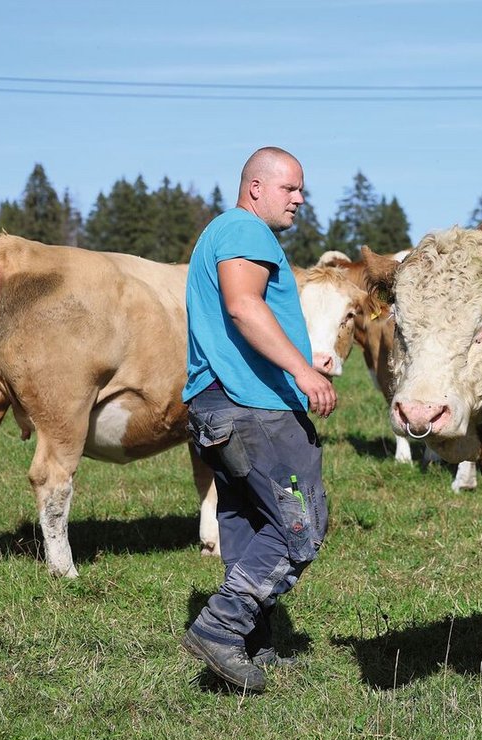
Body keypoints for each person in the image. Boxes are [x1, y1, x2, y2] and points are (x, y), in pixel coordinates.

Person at [180, 146, 337, 692]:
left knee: (247, 525)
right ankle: (221, 628)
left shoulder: (221, 233)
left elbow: (235, 320)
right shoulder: (246, 231)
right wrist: (302, 371)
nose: (300, 199)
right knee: (301, 524)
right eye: (289, 188)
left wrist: (301, 356)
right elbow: (244, 306)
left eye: (301, 189)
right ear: (255, 188)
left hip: (218, 405)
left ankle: (250, 646)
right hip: (253, 408)